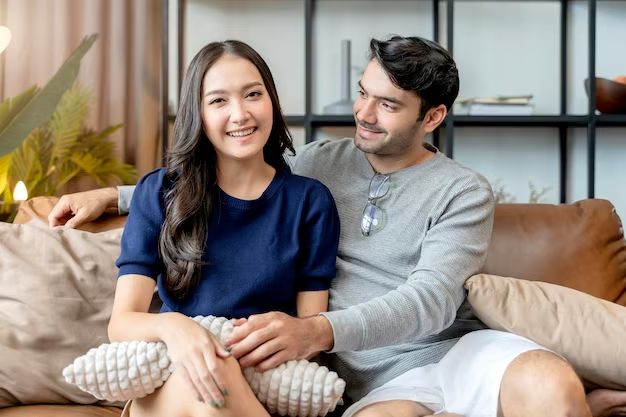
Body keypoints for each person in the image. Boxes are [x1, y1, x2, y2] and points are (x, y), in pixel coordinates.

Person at [49, 36, 626, 417]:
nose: (364, 114)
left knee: (553, 390)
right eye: (362, 93)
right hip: (373, 381)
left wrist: (317, 332)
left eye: (388, 105)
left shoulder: (462, 190)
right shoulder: (320, 163)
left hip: (453, 348)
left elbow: (430, 299)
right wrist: (115, 194)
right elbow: (224, 175)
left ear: (432, 117)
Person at [103, 39, 340, 417]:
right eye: (218, 101)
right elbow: (122, 322)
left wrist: (233, 354)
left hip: (261, 385)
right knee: (204, 378)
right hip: (173, 384)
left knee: (216, 373)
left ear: (272, 102)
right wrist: (179, 330)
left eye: (252, 94)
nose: (240, 114)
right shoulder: (160, 193)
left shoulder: (309, 202)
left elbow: (308, 338)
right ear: (197, 113)